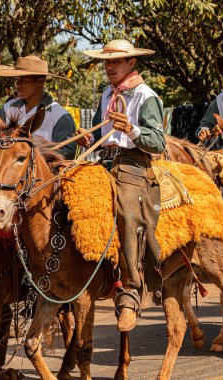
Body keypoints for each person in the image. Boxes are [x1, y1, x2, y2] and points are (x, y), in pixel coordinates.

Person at [79, 39, 166, 331]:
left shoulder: (145, 96)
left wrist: (130, 129)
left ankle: (130, 292)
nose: (109, 66)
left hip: (133, 164)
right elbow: (98, 133)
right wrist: (85, 139)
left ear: (132, 63)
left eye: (116, 61)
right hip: (103, 162)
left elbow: (158, 142)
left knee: (128, 213)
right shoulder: (106, 94)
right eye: (106, 62)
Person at [0, 56, 77, 159]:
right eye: (17, 80)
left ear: (40, 82)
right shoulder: (8, 108)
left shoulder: (60, 116)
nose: (17, 85)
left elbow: (66, 154)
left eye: (24, 81)